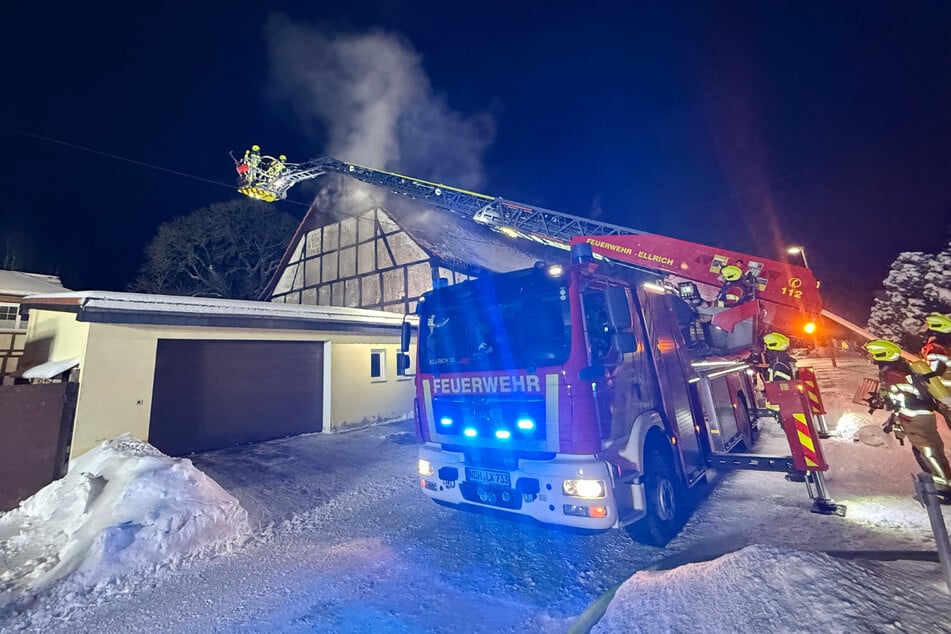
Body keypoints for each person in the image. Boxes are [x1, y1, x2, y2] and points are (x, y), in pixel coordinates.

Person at [864, 338, 951, 502]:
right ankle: (943, 483)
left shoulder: (892, 374)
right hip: (922, 416)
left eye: (872, 354)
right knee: (931, 451)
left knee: (929, 453)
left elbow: (900, 393)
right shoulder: (901, 368)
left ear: (882, 355)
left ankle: (943, 489)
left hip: (914, 418)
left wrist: (886, 399)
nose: (870, 358)